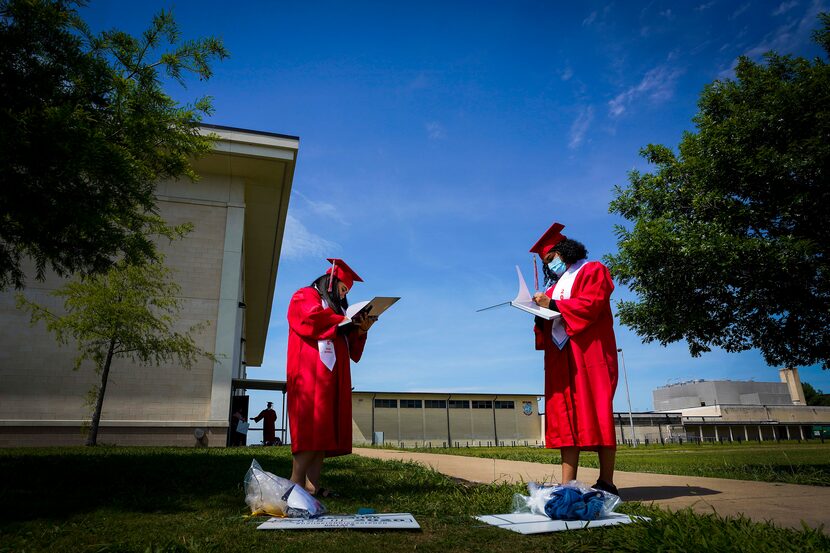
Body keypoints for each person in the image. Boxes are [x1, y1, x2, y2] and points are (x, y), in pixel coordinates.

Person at [529, 222, 620, 496]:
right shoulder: (554, 287)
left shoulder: (593, 270)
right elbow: (550, 319)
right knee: (565, 415)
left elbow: (592, 303)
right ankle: (567, 484)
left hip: (590, 354)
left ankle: (607, 482)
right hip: (562, 356)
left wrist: (553, 305)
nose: (549, 265)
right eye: (546, 261)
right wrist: (536, 311)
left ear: (564, 250)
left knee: (597, 410)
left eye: (550, 258)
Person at [286, 258, 375, 497]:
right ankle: (293, 485)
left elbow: (351, 350)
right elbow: (310, 319)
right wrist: (344, 321)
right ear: (330, 282)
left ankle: (312, 487)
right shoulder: (305, 295)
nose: (344, 294)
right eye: (343, 288)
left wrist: (361, 328)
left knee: (324, 429)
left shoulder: (339, 311)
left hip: (332, 376)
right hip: (310, 372)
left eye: (346, 291)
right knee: (311, 427)